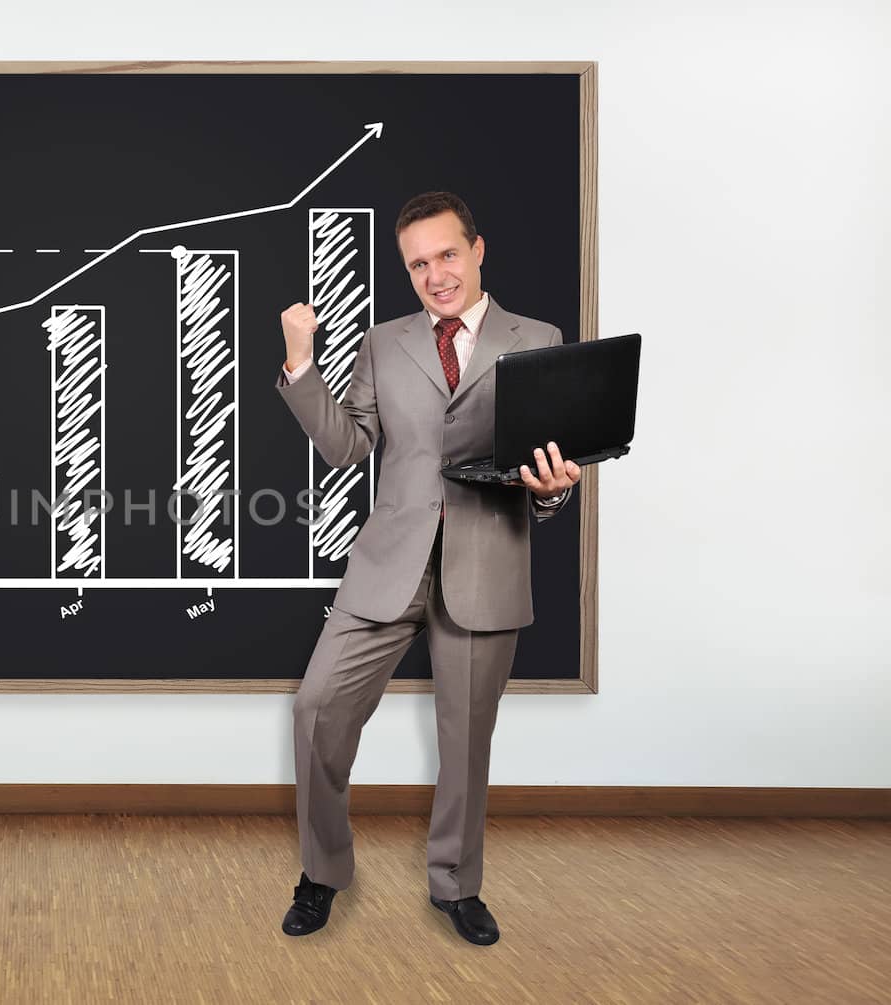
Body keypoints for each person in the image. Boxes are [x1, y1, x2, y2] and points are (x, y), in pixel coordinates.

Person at [274, 191, 580, 945]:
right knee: (316, 709)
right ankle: (323, 872)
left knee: (465, 741)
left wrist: (553, 494)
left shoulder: (538, 337)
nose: (435, 274)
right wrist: (301, 362)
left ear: (478, 250)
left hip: (488, 562)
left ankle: (455, 884)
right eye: (418, 264)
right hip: (389, 564)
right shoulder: (384, 342)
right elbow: (348, 446)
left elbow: (548, 465)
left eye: (447, 254)